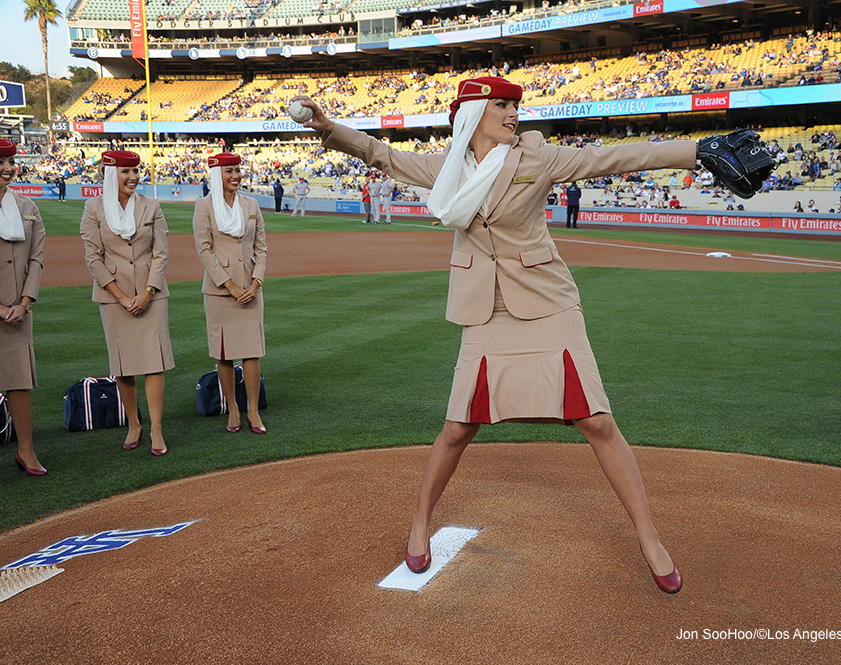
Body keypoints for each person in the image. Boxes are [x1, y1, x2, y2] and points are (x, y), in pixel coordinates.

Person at [292, 76, 717, 595]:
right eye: (501, 105)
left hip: (547, 300)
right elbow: (381, 155)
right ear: (471, 114)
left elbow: (614, 158)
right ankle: (420, 522)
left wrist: (696, 149)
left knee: (598, 421)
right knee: (457, 428)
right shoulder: (446, 169)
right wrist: (329, 127)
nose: (514, 114)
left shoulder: (536, 156)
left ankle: (649, 538)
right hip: (484, 308)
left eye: (515, 105)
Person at [81, 151, 173, 456]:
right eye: (125, 171)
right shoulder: (93, 208)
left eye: (135, 170)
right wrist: (121, 297)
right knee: (123, 365)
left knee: (154, 363)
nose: (133, 177)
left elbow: (161, 253)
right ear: (111, 175)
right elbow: (93, 258)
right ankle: (135, 423)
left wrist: (147, 292)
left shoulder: (152, 205)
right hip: (113, 297)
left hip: (152, 294)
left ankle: (157, 429)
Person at [193, 153, 268, 434]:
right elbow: (204, 250)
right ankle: (233, 409)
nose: (235, 175)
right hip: (219, 291)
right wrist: (230, 285)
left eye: (237, 170)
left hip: (250, 288)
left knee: (251, 352)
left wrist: (256, 281)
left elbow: (261, 246)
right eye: (228, 171)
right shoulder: (203, 206)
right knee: (224, 353)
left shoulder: (251, 204)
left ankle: (252, 410)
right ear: (216, 175)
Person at [0, 139, 46, 476]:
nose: (8, 168)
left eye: (11, 161)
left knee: (19, 381)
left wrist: (25, 302)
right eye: (1, 162)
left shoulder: (27, 207)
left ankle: (26, 451)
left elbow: (36, 259)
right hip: (3, 309)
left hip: (18, 311)